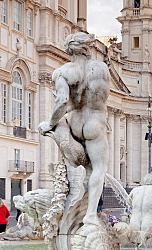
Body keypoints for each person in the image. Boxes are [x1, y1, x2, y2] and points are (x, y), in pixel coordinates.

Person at [38, 31, 109, 229]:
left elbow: (61, 101)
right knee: (98, 169)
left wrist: (50, 123)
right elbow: (102, 97)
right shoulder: (102, 69)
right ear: (87, 47)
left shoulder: (63, 71)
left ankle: (71, 204)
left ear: (68, 49)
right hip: (95, 122)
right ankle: (90, 215)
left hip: (74, 122)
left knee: (76, 165)